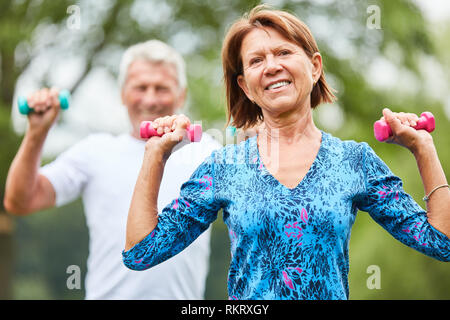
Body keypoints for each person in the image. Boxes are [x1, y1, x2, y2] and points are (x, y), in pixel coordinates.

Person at [122, 6, 450, 300]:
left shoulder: (354, 162)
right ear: (245, 86)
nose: (271, 66)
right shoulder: (224, 167)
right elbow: (140, 253)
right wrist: (156, 155)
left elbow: (442, 242)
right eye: (256, 60)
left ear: (315, 67)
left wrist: (423, 149)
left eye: (283, 52)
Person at [4, 40, 222, 299]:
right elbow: (20, 201)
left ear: (181, 95)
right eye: (140, 87)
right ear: (123, 94)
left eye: (161, 88)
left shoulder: (206, 151)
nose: (150, 99)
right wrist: (36, 134)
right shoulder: (95, 151)